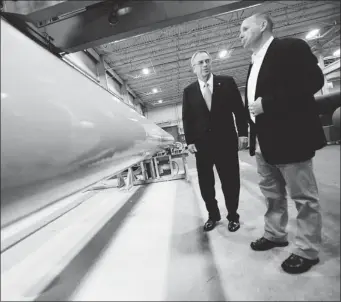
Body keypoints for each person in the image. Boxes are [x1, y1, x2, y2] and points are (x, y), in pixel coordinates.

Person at [239, 13, 327, 274]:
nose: (240, 34)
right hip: (264, 142)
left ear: (263, 25)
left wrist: (269, 103)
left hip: (290, 137)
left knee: (303, 197)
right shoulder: (254, 62)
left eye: (244, 28)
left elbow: (314, 81)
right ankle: (275, 234)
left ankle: (307, 250)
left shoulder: (290, 48)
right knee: (272, 195)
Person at [182, 50, 248, 232]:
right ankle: (213, 215)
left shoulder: (226, 82)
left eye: (207, 61)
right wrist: (190, 141)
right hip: (202, 146)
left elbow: (239, 110)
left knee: (231, 181)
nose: (205, 65)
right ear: (193, 68)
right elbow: (187, 119)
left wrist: (243, 133)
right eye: (201, 63)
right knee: (206, 184)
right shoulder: (189, 92)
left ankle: (233, 216)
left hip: (226, 142)